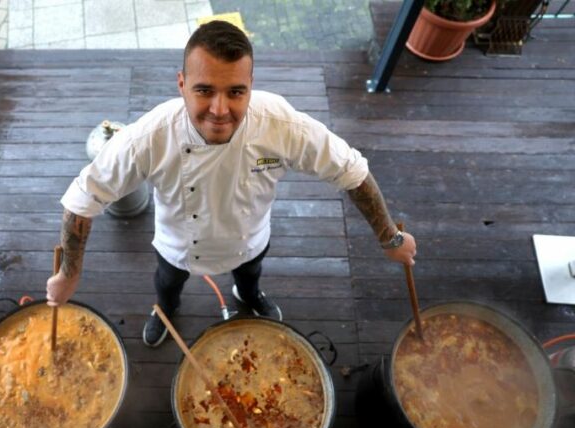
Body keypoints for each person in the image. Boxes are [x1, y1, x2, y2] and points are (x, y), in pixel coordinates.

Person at [47, 20, 416, 348]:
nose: (220, 109)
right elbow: (85, 196)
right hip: (178, 245)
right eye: (204, 90)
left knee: (251, 277)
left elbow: (352, 171)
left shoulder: (282, 125)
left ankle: (249, 295)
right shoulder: (150, 136)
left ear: (251, 86)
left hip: (249, 239)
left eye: (235, 92)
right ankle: (166, 311)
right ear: (182, 84)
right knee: (167, 284)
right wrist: (69, 274)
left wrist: (391, 238)